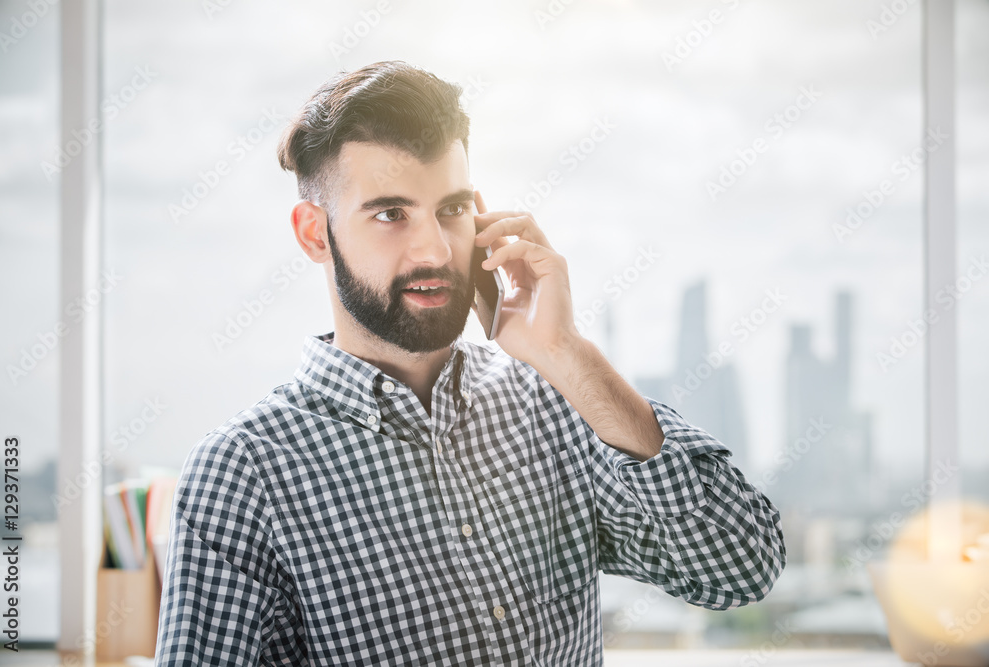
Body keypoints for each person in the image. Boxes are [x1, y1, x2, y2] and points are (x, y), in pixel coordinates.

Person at [155, 60, 785, 666]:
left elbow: (740, 567)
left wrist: (566, 355)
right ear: (315, 234)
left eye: (451, 210)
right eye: (389, 214)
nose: (433, 248)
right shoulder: (244, 473)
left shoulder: (552, 402)